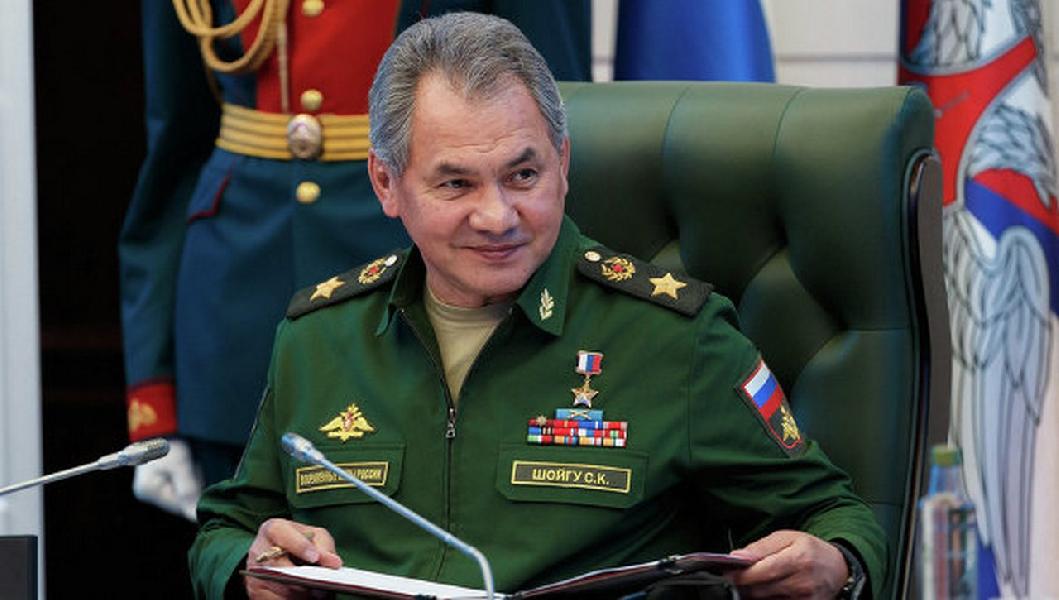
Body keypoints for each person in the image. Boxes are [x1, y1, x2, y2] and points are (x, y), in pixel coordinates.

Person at [189, 13, 885, 599]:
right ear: (386, 184)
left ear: (563, 162)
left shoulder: (676, 337)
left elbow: (834, 518)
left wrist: (835, 562)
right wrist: (250, 565)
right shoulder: (319, 335)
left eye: (523, 175)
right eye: (456, 184)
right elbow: (230, 526)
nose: (497, 217)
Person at [120, 0, 590, 520]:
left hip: (432, 277)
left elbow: (547, 131)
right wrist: (153, 393)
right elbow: (176, 149)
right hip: (236, 309)